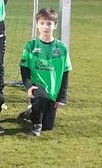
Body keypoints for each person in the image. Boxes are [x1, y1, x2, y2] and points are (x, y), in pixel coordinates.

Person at [18, 7, 72, 137]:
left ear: (55, 25)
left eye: (49, 23)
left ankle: (30, 113)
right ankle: (36, 125)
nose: (45, 27)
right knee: (40, 98)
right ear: (37, 25)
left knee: (48, 126)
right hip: (37, 87)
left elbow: (65, 73)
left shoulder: (61, 48)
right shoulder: (30, 46)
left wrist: (62, 97)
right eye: (42, 23)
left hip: (52, 91)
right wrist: (29, 87)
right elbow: (24, 69)